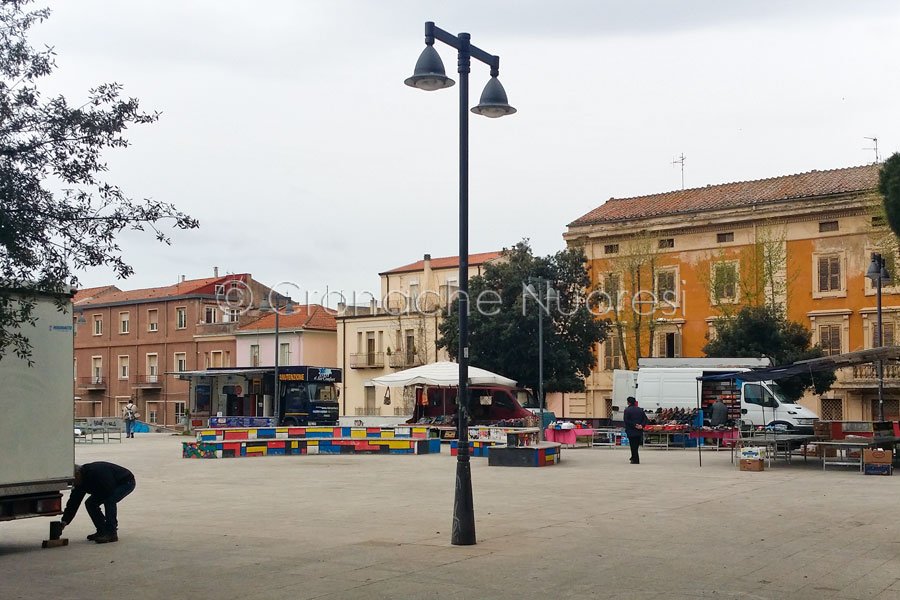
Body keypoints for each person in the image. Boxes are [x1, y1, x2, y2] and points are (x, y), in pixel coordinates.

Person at [60, 462, 136, 544]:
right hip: (107, 485)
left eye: (72, 480)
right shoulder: (79, 482)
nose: (72, 483)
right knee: (90, 503)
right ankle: (102, 530)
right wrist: (64, 521)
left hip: (125, 482)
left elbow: (109, 489)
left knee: (110, 500)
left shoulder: (95, 473)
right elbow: (73, 502)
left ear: (78, 474)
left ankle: (111, 533)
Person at [623, 396, 649, 464]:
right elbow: (645, 419)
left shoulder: (627, 410)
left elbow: (626, 421)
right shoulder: (640, 410)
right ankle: (633, 457)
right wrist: (641, 425)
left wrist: (635, 425)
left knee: (632, 445)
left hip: (631, 430)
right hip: (639, 430)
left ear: (628, 402)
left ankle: (635, 459)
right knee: (636, 446)